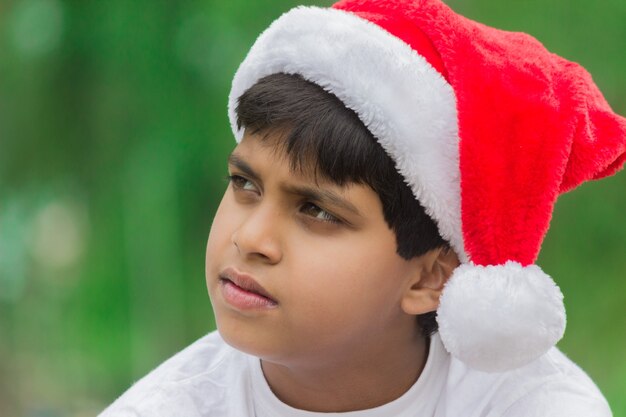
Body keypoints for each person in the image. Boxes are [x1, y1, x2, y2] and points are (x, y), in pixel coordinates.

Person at [99, 0, 625, 415]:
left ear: (430, 278)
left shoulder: (536, 406)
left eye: (318, 212)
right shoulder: (165, 407)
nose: (251, 238)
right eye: (244, 184)